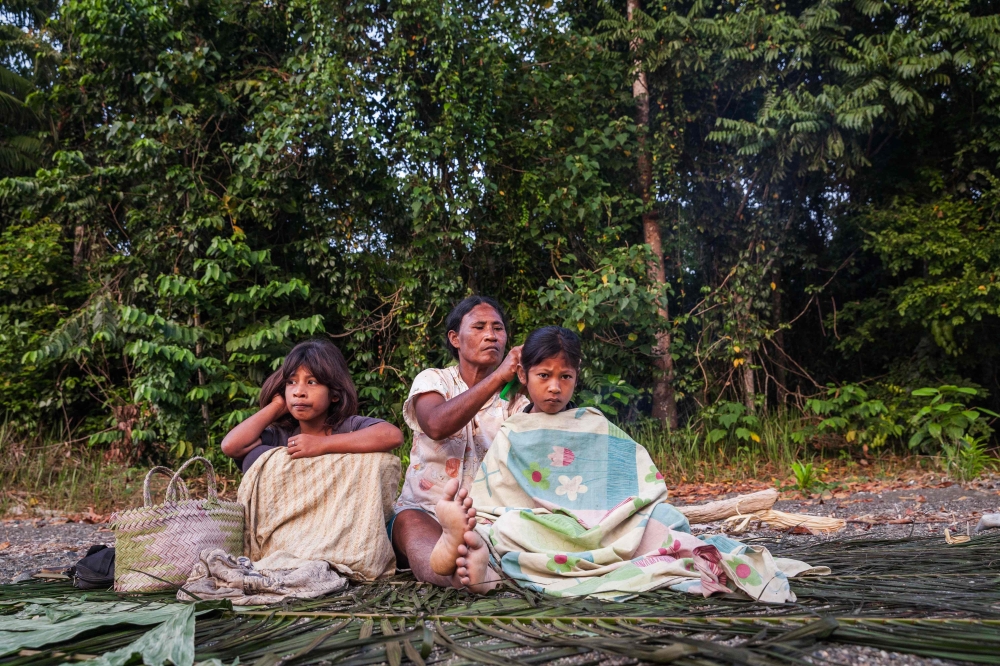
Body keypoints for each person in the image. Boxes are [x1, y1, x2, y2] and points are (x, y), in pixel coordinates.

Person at [442, 326, 824, 599]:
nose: (555, 386)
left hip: (607, 526)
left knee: (668, 521)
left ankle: (503, 573)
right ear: (523, 376)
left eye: (565, 376)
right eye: (543, 375)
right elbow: (495, 495)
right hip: (543, 526)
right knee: (503, 527)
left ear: (577, 378)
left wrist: (607, 516)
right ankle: (485, 570)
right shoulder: (514, 430)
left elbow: (638, 479)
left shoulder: (593, 423)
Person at [222, 338, 405, 580]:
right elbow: (231, 445)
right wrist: (277, 406)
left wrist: (322, 445)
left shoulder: (348, 427)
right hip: (285, 547)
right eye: (291, 383)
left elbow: (391, 435)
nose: (299, 391)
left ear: (335, 395)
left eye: (312, 382)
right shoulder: (279, 435)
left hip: (341, 541)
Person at [391, 295, 529, 588]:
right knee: (409, 524)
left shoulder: (517, 402)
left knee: (505, 534)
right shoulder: (433, 380)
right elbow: (436, 424)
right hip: (424, 510)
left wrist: (540, 378)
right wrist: (499, 377)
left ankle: (475, 567)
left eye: (498, 328)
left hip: (490, 519)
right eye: (478, 327)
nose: (491, 335)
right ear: (455, 338)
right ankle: (460, 572)